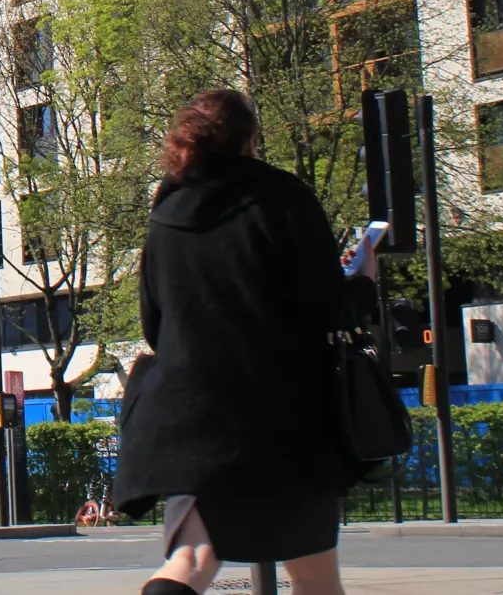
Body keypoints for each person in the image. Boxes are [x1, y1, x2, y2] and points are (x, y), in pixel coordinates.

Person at [113, 89, 378, 595]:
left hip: (190, 420)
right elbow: (328, 308)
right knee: (315, 575)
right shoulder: (284, 196)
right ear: (251, 140)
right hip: (283, 420)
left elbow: (154, 323)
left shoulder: (165, 212)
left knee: (191, 560)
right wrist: (362, 279)